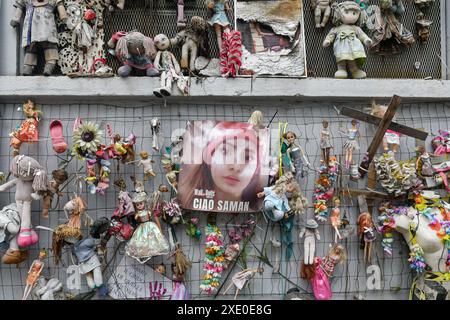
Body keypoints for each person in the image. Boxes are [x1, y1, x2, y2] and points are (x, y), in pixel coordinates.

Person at [179, 121, 266, 212]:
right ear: (210, 157)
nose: (236, 166)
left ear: (256, 169)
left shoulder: (261, 209)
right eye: (225, 151)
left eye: (248, 158)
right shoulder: (185, 203)